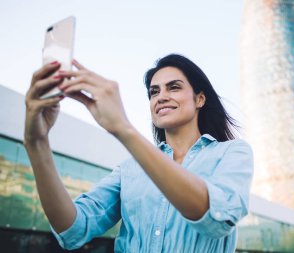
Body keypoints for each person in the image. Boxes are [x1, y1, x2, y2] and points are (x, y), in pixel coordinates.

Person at [24, 54, 253, 252]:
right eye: (154, 92)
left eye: (173, 87)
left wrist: (124, 128)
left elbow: (216, 219)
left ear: (200, 99)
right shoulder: (129, 169)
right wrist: (36, 143)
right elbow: (73, 229)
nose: (161, 96)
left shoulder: (232, 153)